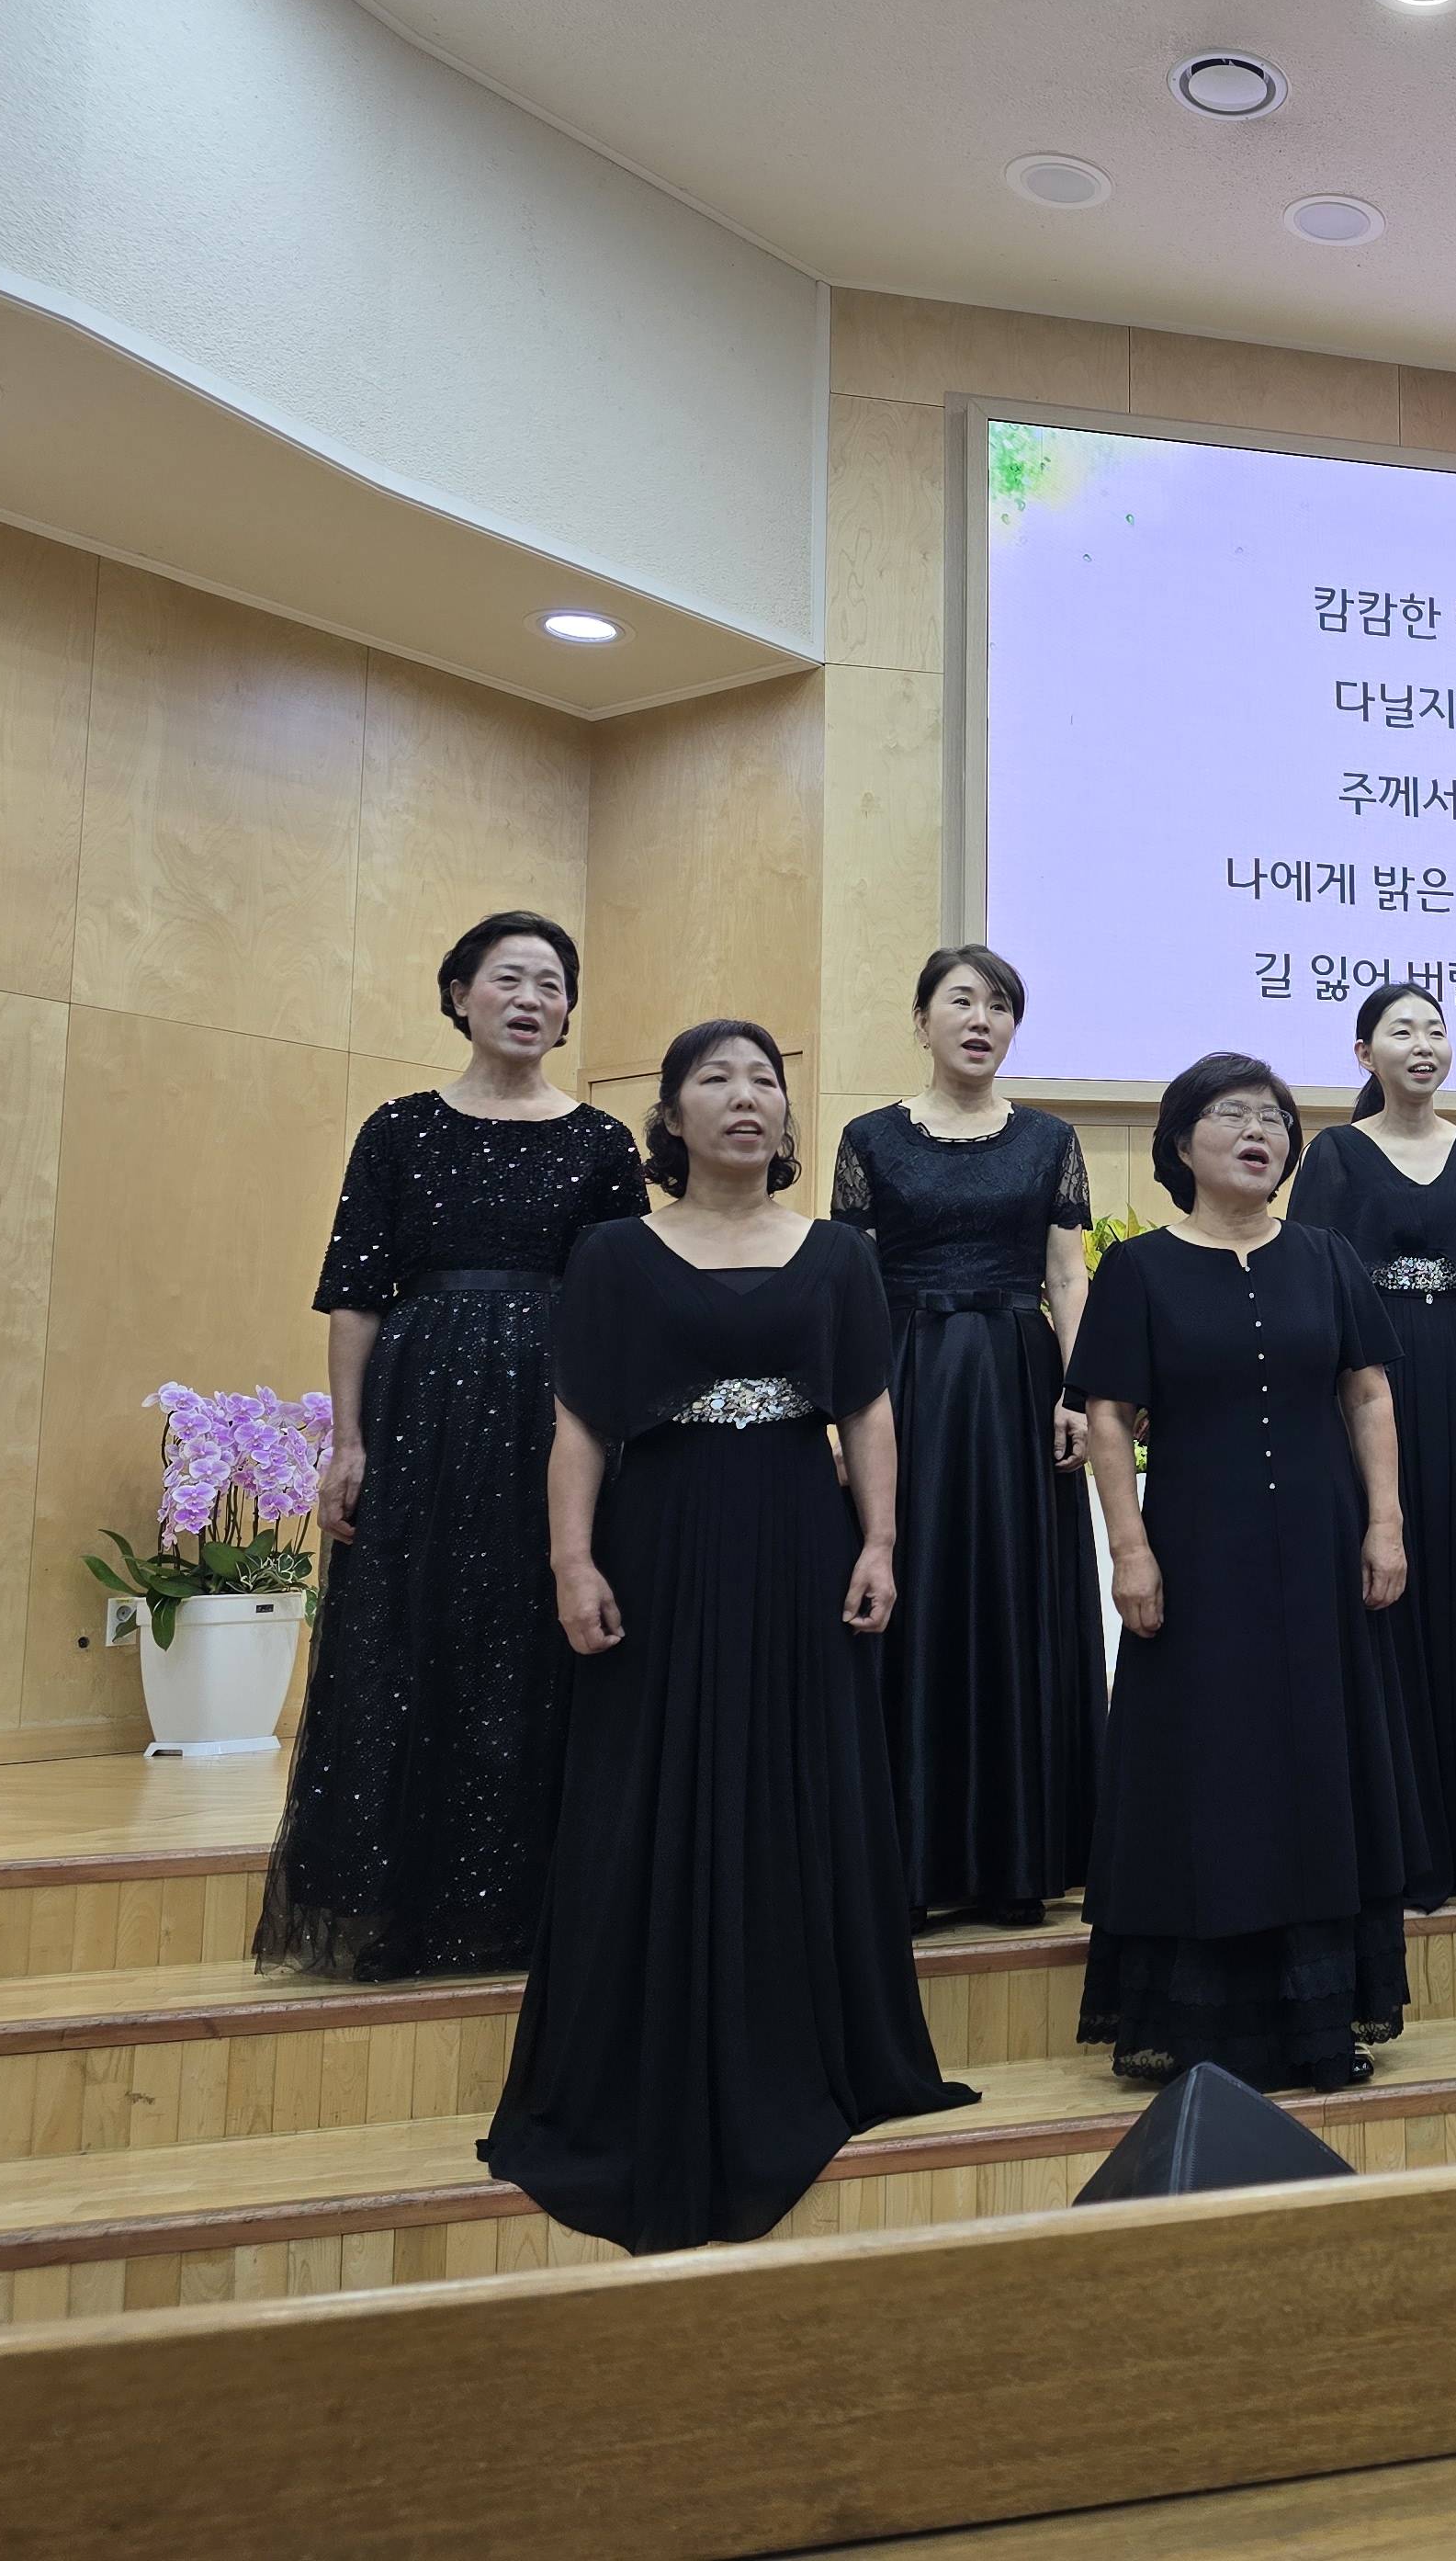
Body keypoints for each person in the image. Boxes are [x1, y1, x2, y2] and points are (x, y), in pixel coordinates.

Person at [480, 1020, 973, 2252]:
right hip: (658, 1538)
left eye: (765, 1081)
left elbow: (868, 1412)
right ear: (671, 1116)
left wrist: (880, 1543)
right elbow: (579, 1424)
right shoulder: (612, 1253)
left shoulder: (840, 1255)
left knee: (803, 1778)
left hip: (801, 1537)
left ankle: (802, 2042)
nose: (746, 1098)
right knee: (645, 1783)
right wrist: (573, 1559)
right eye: (716, 1080)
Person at [257, 912, 650, 1981]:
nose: (531, 999)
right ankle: (397, 1904)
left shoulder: (601, 1143)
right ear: (459, 994)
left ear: (568, 1013)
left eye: (551, 985)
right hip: (418, 1407)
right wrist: (347, 1442)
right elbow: (354, 1295)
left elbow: (621, 1305)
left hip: (555, 1411)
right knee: (405, 1639)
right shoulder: (397, 1130)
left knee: (533, 1638)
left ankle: (526, 1906)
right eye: (509, 978)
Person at [1068, 1054, 1423, 2091]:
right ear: (1182, 1142)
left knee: (1319, 1763)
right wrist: (1128, 1549)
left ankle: (1320, 2021)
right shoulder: (1139, 1268)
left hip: (1321, 1545)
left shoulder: (1326, 1257)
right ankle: (1202, 2028)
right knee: (1210, 1769)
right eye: (1232, 1115)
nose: (1258, 1131)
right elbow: (1107, 1416)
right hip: (1195, 1552)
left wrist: (1386, 1523)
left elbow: (1367, 1395)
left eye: (1273, 1117)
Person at [830, 949, 1102, 1931]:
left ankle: (1015, 1861)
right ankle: (902, 1861)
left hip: (1018, 1381)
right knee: (914, 1590)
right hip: (904, 1379)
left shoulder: (1050, 1139)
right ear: (921, 1021)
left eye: (999, 1006)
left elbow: (1066, 1276)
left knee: (1013, 1594)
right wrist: (846, 1408)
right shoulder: (868, 1138)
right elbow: (853, 1284)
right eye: (961, 1002)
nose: (981, 1020)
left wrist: (1080, 1390)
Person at [1291, 983, 1456, 1902]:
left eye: (1436, 1029)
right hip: (1369, 1380)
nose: (1422, 1044)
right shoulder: (1335, 1154)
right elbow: (1316, 1286)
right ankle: (1399, 1842)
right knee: (1386, 1595)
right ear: (1362, 1052)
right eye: (1401, 1030)